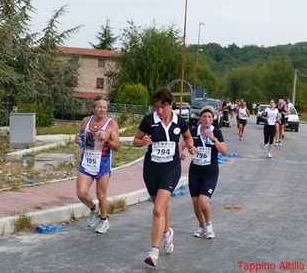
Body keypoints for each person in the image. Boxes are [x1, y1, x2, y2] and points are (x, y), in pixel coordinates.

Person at [133, 88, 195, 268]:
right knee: (161, 207)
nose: (160, 111)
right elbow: (135, 141)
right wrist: (142, 142)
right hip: (151, 169)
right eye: (157, 106)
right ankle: (167, 232)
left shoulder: (180, 122)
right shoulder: (148, 121)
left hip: (171, 168)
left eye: (163, 106)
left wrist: (189, 147)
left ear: (171, 105)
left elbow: (188, 137)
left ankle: (153, 253)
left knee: (158, 210)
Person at [75, 97, 120, 234]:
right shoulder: (85, 121)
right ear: (93, 108)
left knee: (101, 195)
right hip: (87, 161)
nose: (102, 109)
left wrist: (106, 140)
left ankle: (104, 220)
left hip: (103, 163)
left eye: (104, 107)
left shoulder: (112, 124)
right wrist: (77, 139)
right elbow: (81, 137)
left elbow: (117, 146)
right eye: (99, 107)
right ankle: (94, 209)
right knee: (81, 193)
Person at [182, 106, 227, 239]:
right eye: (204, 117)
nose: (206, 119)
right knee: (196, 203)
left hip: (210, 172)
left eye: (209, 117)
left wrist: (214, 140)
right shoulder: (194, 131)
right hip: (195, 171)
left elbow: (224, 151)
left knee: (203, 201)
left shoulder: (216, 132)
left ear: (212, 120)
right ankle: (201, 226)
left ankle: (208, 225)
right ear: (200, 118)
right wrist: (182, 151)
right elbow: (183, 143)